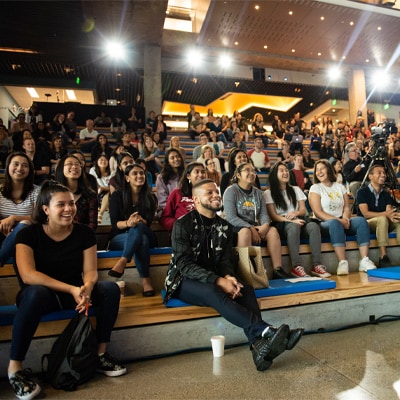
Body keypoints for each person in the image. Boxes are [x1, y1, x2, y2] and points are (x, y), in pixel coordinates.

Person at [164, 179, 303, 371]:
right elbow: (184, 265)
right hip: (181, 280)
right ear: (196, 200)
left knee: (246, 290)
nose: (215, 195)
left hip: (214, 278)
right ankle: (265, 331)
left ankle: (258, 350)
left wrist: (229, 276)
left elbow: (225, 261)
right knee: (213, 290)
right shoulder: (183, 224)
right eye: (209, 193)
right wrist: (219, 280)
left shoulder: (225, 227)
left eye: (216, 192)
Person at [7, 181, 126, 400]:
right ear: (46, 209)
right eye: (61, 204)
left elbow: (90, 271)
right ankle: (15, 369)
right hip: (42, 295)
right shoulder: (28, 234)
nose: (69, 208)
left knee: (110, 289)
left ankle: (100, 354)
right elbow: (28, 275)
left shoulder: (84, 233)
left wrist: (87, 288)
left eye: (71, 203)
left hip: (75, 292)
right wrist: (72, 288)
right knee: (34, 293)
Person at [309, 159, 377, 275]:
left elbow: (346, 207)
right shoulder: (316, 188)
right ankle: (342, 262)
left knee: (361, 221)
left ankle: (364, 260)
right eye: (317, 170)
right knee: (335, 224)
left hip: (342, 220)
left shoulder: (339, 187)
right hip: (325, 223)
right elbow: (318, 212)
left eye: (322, 169)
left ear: (329, 170)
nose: (319, 172)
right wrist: (339, 221)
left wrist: (345, 218)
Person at [264, 162, 330, 278]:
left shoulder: (295, 189)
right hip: (281, 223)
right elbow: (273, 216)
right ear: (274, 174)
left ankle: (316, 265)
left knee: (314, 227)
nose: (285, 172)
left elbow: (303, 210)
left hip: (299, 219)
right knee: (294, 227)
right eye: (281, 170)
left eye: (286, 170)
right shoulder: (268, 193)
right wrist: (291, 221)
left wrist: (296, 213)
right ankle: (296, 266)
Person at [223, 162, 284, 276]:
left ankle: (277, 270)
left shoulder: (258, 193)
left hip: (253, 227)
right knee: (245, 232)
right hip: (235, 227)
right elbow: (230, 217)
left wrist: (265, 226)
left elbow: (264, 215)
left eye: (253, 171)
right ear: (238, 175)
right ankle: (245, 272)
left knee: (272, 231)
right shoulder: (231, 191)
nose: (251, 173)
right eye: (247, 170)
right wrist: (250, 228)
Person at [108, 164, 157, 296]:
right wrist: (128, 223)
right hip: (120, 236)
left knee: (140, 227)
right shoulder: (117, 196)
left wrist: (139, 221)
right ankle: (146, 280)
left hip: (144, 230)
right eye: (135, 173)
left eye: (142, 173)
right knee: (142, 240)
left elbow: (148, 223)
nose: (139, 176)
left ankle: (123, 260)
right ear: (127, 178)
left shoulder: (151, 197)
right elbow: (115, 224)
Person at [0, 152, 40, 267]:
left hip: (28, 239)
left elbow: (39, 217)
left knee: (24, 224)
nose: (20, 168)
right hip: (2, 234)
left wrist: (14, 218)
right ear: (8, 167)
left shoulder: (37, 191)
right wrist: (4, 225)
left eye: (25, 165)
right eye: (16, 164)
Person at [356, 164, 400, 268]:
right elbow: (365, 213)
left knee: (398, 220)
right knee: (382, 219)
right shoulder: (362, 192)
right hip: (366, 224)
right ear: (370, 176)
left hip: (383, 222)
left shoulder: (386, 194)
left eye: (384, 173)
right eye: (379, 173)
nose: (383, 175)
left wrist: (396, 215)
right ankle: (383, 256)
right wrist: (386, 214)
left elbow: (389, 212)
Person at [55, 155, 98, 231]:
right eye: (70, 164)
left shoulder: (90, 195)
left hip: (82, 237)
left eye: (77, 164)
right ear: (61, 168)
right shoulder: (52, 194)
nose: (74, 167)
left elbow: (92, 224)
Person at [160, 162, 205, 233]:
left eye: (203, 172)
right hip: (181, 234)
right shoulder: (177, 193)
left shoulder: (208, 194)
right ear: (188, 176)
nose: (201, 175)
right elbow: (165, 218)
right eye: (197, 172)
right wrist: (179, 225)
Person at [155, 149, 185, 217]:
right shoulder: (161, 177)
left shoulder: (186, 175)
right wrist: (177, 209)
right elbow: (162, 200)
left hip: (184, 209)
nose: (176, 159)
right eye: (172, 158)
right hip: (168, 210)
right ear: (168, 161)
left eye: (177, 156)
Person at [89, 155, 113, 224]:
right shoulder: (93, 170)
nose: (103, 161)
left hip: (109, 192)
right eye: (101, 160)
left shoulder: (112, 171)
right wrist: (104, 188)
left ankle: (101, 213)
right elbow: (95, 186)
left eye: (105, 160)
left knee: (110, 195)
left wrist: (103, 188)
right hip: (98, 194)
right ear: (97, 162)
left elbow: (113, 186)